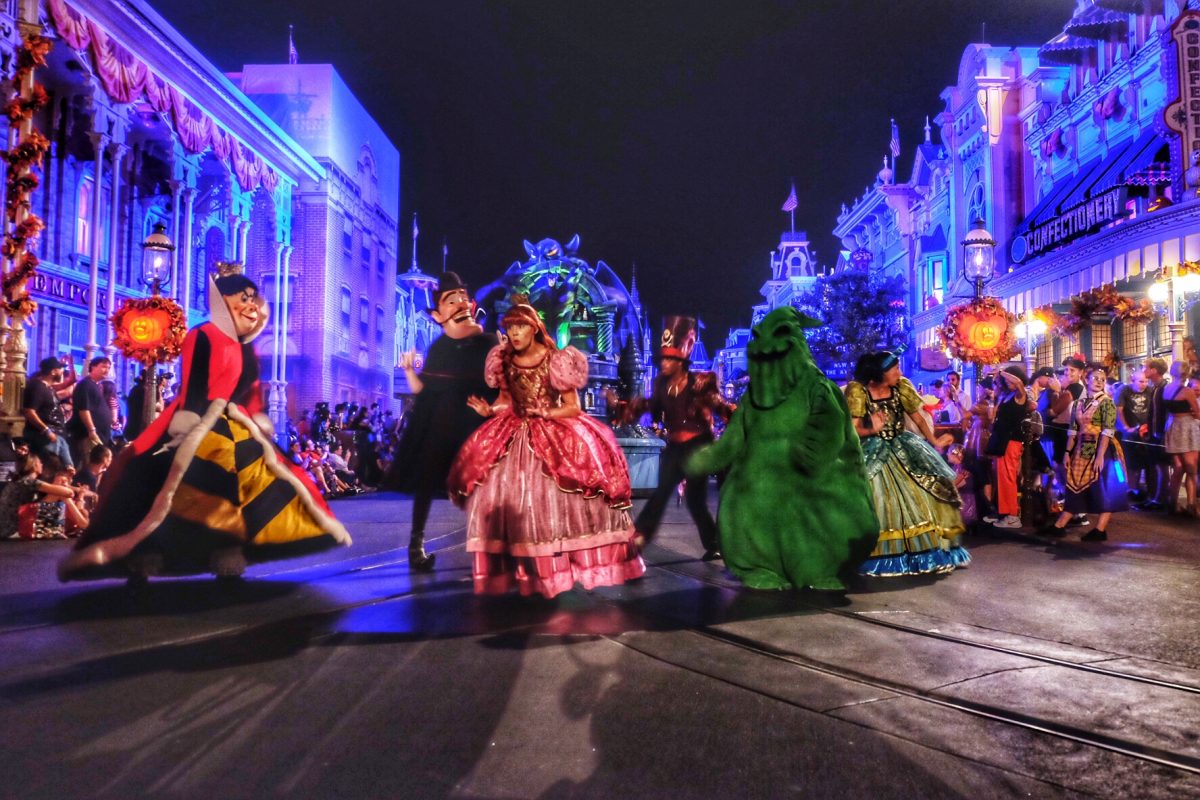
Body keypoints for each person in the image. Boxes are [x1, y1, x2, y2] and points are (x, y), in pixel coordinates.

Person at [59, 262, 351, 583]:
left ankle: (229, 548)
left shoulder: (244, 347)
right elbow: (194, 381)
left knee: (260, 479)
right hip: (195, 415)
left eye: (252, 298)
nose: (250, 304)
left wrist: (256, 417)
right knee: (145, 468)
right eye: (243, 298)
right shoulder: (202, 335)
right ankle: (141, 552)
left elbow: (250, 387)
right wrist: (190, 422)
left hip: (234, 420)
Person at [447, 295, 644, 598]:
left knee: (554, 498)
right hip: (513, 430)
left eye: (519, 328)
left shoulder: (556, 360)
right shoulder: (504, 360)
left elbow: (573, 407)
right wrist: (490, 411)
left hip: (550, 431)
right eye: (510, 328)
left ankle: (552, 572)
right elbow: (506, 402)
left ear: (534, 329)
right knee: (498, 494)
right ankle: (523, 572)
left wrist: (547, 413)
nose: (513, 334)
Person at [382, 271, 497, 571]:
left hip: (478, 425)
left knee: (486, 484)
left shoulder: (487, 342)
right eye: (451, 300)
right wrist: (408, 372)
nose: (460, 303)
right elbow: (424, 388)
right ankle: (415, 544)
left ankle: (492, 545)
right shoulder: (439, 349)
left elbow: (500, 383)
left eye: (462, 297)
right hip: (442, 426)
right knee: (427, 480)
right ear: (437, 315)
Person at [845, 351, 968, 576]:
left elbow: (918, 418)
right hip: (874, 449)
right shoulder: (859, 391)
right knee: (880, 499)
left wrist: (934, 442)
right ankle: (878, 552)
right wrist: (871, 429)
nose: (899, 373)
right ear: (879, 373)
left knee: (928, 490)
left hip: (904, 445)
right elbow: (852, 429)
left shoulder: (901, 386)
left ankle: (924, 551)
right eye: (895, 370)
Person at [624, 316, 734, 560]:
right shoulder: (662, 385)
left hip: (698, 447)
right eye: (662, 358)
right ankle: (639, 538)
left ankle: (714, 543)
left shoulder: (701, 383)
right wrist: (625, 406)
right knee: (661, 492)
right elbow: (650, 405)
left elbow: (720, 406)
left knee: (695, 500)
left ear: (681, 360)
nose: (663, 363)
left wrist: (739, 415)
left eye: (669, 359)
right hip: (675, 446)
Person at [1038, 366, 1128, 541]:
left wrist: (1100, 455)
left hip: (1102, 448)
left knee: (1102, 487)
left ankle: (1100, 529)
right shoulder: (1079, 403)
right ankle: (1060, 524)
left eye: (1102, 379)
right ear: (1087, 380)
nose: (1099, 382)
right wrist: (1067, 452)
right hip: (1082, 446)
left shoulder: (1107, 402)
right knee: (1074, 483)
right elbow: (1073, 429)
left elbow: (1108, 431)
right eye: (1095, 378)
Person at [983, 366, 1029, 529]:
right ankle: (1004, 513)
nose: (1008, 381)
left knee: (1008, 477)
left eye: (1011, 378)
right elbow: (992, 415)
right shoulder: (1005, 396)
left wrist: (1001, 371)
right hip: (1001, 439)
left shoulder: (1020, 395)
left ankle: (1012, 515)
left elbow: (1018, 382)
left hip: (1012, 440)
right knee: (1001, 477)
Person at [0, 452, 77, 539]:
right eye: (40, 462)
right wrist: (67, 481)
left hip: (5, 527)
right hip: (11, 530)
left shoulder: (21, 481)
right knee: (56, 496)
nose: (42, 464)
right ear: (34, 465)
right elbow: (69, 493)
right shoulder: (30, 482)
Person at [1161, 360, 1200, 516]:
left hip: (1173, 427)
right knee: (1191, 469)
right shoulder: (1187, 391)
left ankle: (1172, 503)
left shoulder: (1166, 389)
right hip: (1187, 428)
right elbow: (1197, 413)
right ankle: (1191, 505)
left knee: (1177, 468)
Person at [22, 356, 73, 469]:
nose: (62, 372)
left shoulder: (48, 387)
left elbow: (72, 381)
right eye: (60, 369)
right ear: (53, 371)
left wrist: (71, 363)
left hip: (58, 435)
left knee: (66, 470)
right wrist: (47, 431)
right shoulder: (37, 386)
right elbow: (29, 411)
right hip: (46, 437)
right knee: (50, 470)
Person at [1116, 368, 1155, 502]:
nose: (1143, 384)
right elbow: (1119, 410)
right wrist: (1126, 427)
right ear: (1132, 380)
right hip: (1130, 432)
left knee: (1146, 461)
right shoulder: (1124, 390)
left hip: (1146, 431)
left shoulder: (1150, 391)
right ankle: (1131, 489)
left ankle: (1141, 490)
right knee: (1132, 463)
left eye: (1145, 381)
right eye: (1140, 381)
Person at [66, 356, 113, 463]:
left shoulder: (96, 385)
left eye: (109, 368)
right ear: (93, 367)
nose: (107, 370)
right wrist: (92, 430)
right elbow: (84, 409)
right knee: (91, 463)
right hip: (88, 435)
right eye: (103, 367)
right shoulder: (85, 385)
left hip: (101, 434)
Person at [1139, 357, 1172, 511]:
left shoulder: (1164, 388)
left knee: (1162, 467)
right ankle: (1156, 497)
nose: (1144, 370)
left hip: (1160, 434)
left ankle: (1160, 500)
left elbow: (1165, 414)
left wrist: (1160, 433)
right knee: (1157, 466)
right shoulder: (1157, 387)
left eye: (1146, 367)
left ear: (1154, 370)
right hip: (1155, 433)